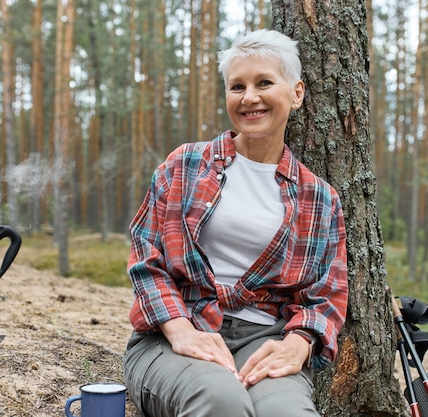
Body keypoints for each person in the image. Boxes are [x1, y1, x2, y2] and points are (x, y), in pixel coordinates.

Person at [122, 29, 348, 417]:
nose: (250, 98)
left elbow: (327, 295)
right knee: (221, 401)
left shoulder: (321, 198)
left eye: (264, 83)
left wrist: (300, 343)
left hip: (264, 340)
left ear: (296, 93)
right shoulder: (185, 165)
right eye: (237, 86)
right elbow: (147, 257)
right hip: (172, 331)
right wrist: (180, 330)